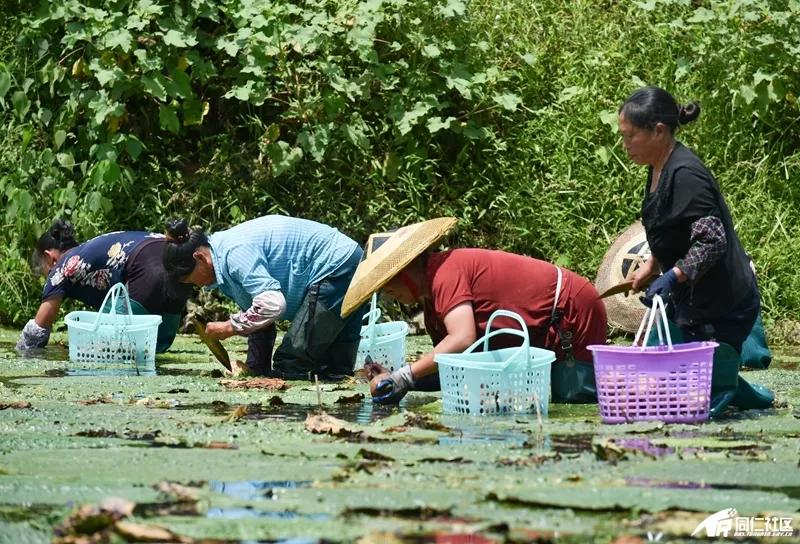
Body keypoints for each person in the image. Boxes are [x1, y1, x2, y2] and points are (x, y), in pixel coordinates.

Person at [618, 85, 773, 415]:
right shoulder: (658, 167)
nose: (625, 144)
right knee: (653, 386)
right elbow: (673, 226)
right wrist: (653, 263)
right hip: (692, 300)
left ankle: (745, 393)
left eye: (631, 136)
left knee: (691, 398)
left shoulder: (686, 174)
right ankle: (733, 386)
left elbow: (712, 240)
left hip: (723, 306)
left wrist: (673, 276)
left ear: (658, 131)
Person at [340, 218, 608, 404]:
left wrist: (405, 375)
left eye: (388, 283)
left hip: (569, 310)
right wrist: (397, 378)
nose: (387, 291)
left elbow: (462, 339)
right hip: (541, 326)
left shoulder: (446, 273)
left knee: (575, 402)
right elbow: (454, 367)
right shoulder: (433, 302)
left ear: (405, 270)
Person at [161, 215, 367, 379]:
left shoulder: (234, 254)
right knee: (335, 368)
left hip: (335, 265)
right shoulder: (220, 263)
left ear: (199, 258)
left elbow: (272, 304)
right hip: (348, 258)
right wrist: (255, 369)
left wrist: (230, 327)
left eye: (191, 279)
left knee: (291, 363)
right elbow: (261, 320)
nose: (196, 285)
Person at [16, 219, 191, 353]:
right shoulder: (91, 249)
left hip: (145, 269)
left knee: (110, 348)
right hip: (179, 261)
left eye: (43, 270)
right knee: (157, 346)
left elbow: (36, 332)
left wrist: (20, 354)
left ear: (49, 258)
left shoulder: (64, 266)